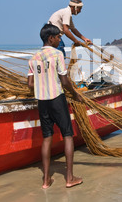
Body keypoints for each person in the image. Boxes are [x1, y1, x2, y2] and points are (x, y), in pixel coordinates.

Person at [28, 24, 84, 189]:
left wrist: (42, 82)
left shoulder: (33, 58)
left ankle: (46, 180)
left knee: (47, 138)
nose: (60, 40)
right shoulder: (58, 54)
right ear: (51, 38)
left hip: (42, 101)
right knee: (67, 135)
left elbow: (30, 84)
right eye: (58, 37)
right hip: (57, 98)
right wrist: (75, 94)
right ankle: (69, 178)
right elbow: (65, 81)